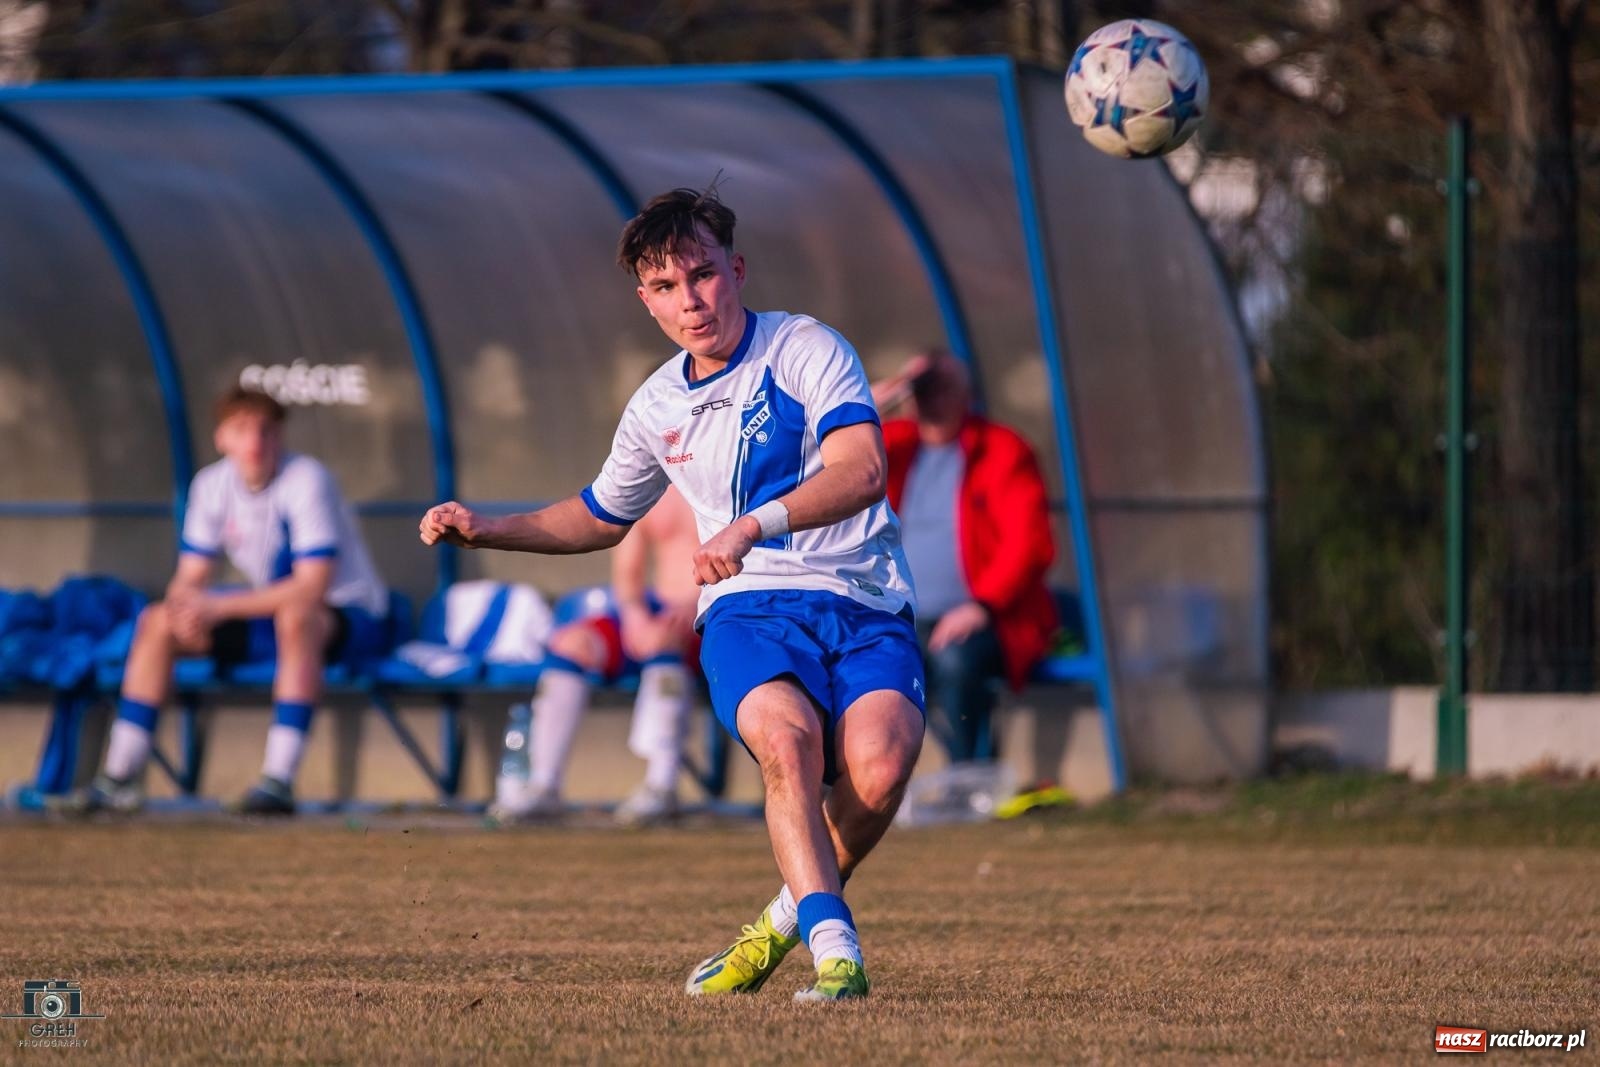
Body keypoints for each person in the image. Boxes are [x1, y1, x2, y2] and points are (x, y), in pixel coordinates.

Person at [421, 186, 924, 1003]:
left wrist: (749, 525)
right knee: (788, 743)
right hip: (747, 607)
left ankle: (777, 924)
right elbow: (595, 515)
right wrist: (486, 527)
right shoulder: (656, 405)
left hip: (865, 596)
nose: (691, 301)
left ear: (736, 267)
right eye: (666, 287)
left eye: (702, 275)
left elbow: (863, 469)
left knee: (880, 768)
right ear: (644, 300)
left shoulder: (804, 347)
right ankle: (839, 957)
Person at [74, 386, 389, 816]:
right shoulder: (211, 484)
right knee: (156, 620)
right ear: (222, 438)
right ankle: (118, 780)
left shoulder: (307, 480)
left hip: (354, 620)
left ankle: (277, 783)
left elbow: (312, 587)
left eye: (266, 430)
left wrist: (216, 608)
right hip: (272, 618)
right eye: (242, 429)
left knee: (298, 617)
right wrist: (184, 610)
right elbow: (190, 576)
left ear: (281, 436)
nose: (255, 442)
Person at [872, 350, 1058, 763]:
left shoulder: (1002, 450)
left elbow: (1029, 543)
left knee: (954, 659)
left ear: (967, 392)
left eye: (943, 386)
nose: (932, 397)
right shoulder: (893, 445)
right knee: (868, 662)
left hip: (985, 616)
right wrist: (871, 402)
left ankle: (970, 770)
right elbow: (815, 459)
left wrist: (981, 606)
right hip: (900, 613)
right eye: (922, 389)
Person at [490, 485, 701, 826]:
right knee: (570, 642)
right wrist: (635, 617)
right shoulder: (653, 475)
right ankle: (545, 787)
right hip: (655, 610)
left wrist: (689, 609)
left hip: (710, 613)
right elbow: (627, 574)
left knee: (664, 641)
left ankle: (662, 786)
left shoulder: (730, 466)